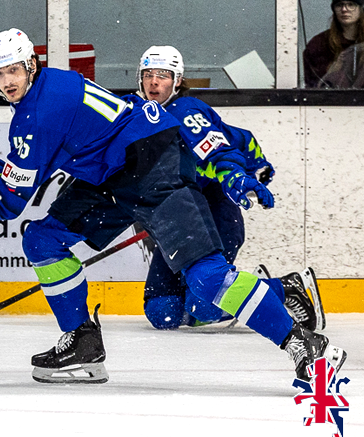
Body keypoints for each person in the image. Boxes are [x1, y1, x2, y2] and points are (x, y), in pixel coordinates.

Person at [0, 28, 346, 384]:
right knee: (43, 239)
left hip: (152, 165)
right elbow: (24, 174)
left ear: (30, 66)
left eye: (14, 70)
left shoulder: (37, 115)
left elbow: (7, 200)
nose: (8, 81)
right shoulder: (50, 87)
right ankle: (82, 342)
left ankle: (304, 344)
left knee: (208, 279)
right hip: (113, 175)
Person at [135, 46, 325, 333]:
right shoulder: (140, 117)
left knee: (205, 307)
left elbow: (218, 153)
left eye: (163, 75)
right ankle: (247, 289)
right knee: (162, 312)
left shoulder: (185, 112)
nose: (154, 82)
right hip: (177, 222)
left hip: (213, 216)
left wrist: (237, 177)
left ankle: (285, 288)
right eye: (148, 74)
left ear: (177, 80)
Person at [303, 0, 364, 88]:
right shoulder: (318, 45)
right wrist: (335, 69)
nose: (344, 9)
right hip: (329, 99)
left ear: (362, 8)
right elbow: (313, 88)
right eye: (339, 5)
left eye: (351, 4)